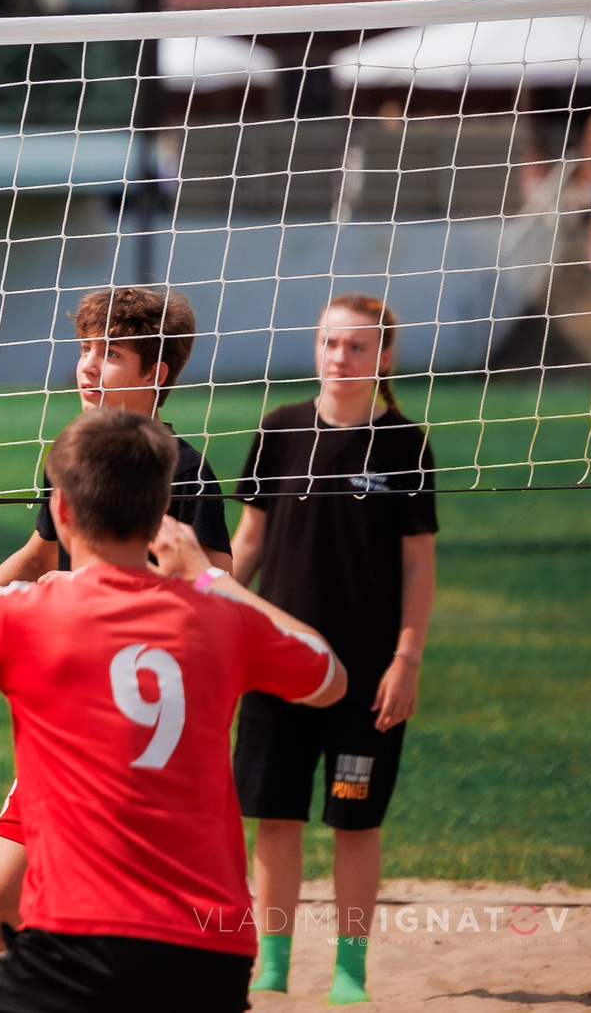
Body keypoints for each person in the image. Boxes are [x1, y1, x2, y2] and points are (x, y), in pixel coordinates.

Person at [0, 414, 346, 1013]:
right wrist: (209, 579)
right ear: (161, 516)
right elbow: (330, 676)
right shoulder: (221, 621)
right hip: (215, 955)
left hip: (81, 946)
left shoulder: (24, 613)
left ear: (62, 512)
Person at [0, 285, 233, 948]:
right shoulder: (71, 457)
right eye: (85, 348)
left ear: (154, 374)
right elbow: (38, 552)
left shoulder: (186, 471)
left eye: (109, 352)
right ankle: (26, 982)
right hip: (64, 713)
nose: (87, 365)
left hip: (142, 722)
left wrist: (176, 582)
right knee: (1, 895)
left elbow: (221, 583)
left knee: (121, 910)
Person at [232, 293, 438, 1005]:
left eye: (356, 346)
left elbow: (418, 564)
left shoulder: (406, 443)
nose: (339, 357)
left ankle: (351, 967)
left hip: (365, 677)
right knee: (275, 815)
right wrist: (212, 620)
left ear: (383, 357)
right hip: (276, 664)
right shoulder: (279, 431)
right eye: (329, 343)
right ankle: (274, 960)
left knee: (354, 817)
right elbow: (249, 544)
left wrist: (406, 657)